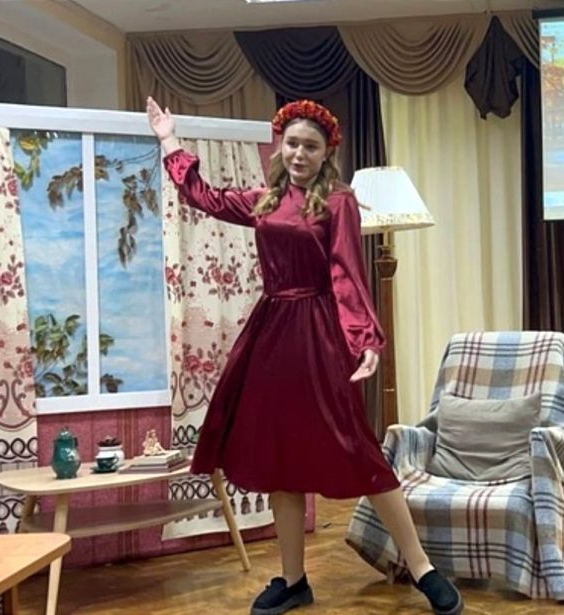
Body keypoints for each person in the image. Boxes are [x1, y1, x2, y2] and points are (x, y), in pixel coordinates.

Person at [147, 97, 464, 615]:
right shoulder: (264, 201)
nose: (299, 153)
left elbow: (347, 273)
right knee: (280, 460)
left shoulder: (339, 202)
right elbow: (203, 196)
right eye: (292, 143)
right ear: (281, 146)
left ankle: (423, 568)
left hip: (320, 336)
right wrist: (169, 140)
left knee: (359, 449)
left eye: (310, 146)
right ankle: (293, 580)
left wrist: (364, 339)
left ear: (326, 153)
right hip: (272, 337)